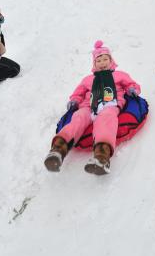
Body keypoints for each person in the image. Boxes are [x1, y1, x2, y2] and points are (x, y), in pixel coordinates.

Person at [44, 40, 141, 176]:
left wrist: (132, 89)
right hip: (89, 106)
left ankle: (101, 157)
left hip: (110, 104)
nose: (102, 63)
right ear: (94, 64)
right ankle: (58, 150)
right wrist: (75, 101)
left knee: (106, 119)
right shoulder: (88, 79)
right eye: (98, 60)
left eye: (105, 59)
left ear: (111, 60)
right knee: (78, 118)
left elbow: (132, 84)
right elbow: (78, 93)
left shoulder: (119, 75)